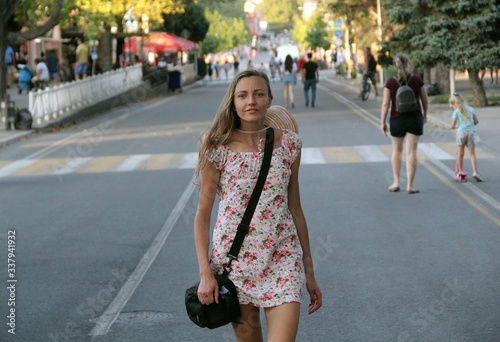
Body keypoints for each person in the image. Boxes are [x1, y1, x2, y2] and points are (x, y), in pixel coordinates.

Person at [193, 69, 322, 341]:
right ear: (233, 102)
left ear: (269, 99)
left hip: (282, 258)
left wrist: (309, 271)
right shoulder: (217, 149)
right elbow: (202, 216)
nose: (250, 101)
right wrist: (206, 272)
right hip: (235, 264)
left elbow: (295, 208)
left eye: (258, 94)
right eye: (243, 95)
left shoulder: (289, 145)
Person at [380, 53, 428, 194]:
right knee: (412, 151)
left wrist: (382, 122)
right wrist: (425, 115)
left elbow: (385, 104)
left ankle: (396, 182)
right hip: (414, 118)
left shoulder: (390, 82)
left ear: (396, 66)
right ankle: (410, 186)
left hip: (397, 119)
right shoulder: (417, 80)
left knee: (397, 151)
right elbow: (425, 100)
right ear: (408, 64)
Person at [448, 92, 483, 182]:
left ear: (454, 103)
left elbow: (453, 125)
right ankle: (475, 172)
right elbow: (477, 121)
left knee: (460, 154)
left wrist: (451, 127)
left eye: (452, 105)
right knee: (472, 154)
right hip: (471, 133)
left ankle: (461, 172)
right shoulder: (471, 109)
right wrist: (472, 125)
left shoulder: (456, 112)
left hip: (461, 133)